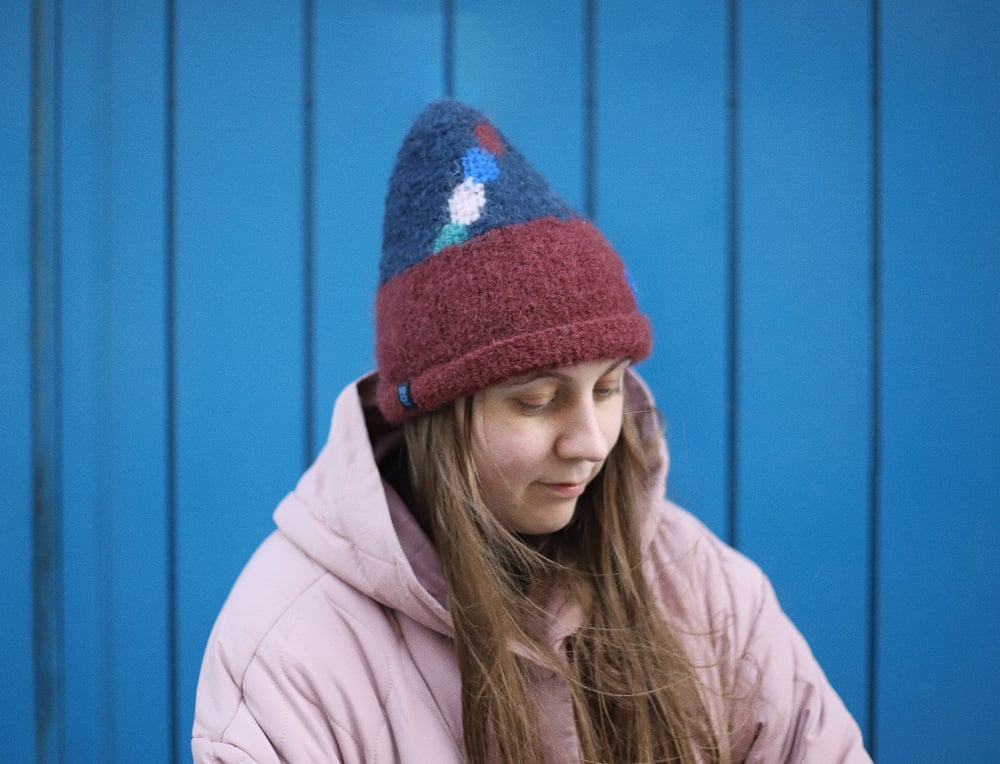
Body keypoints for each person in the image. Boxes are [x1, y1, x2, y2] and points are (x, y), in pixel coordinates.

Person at [192, 98, 871, 763]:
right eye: (538, 401)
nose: (593, 442)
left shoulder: (702, 587)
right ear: (436, 416)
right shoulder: (289, 651)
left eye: (608, 389)